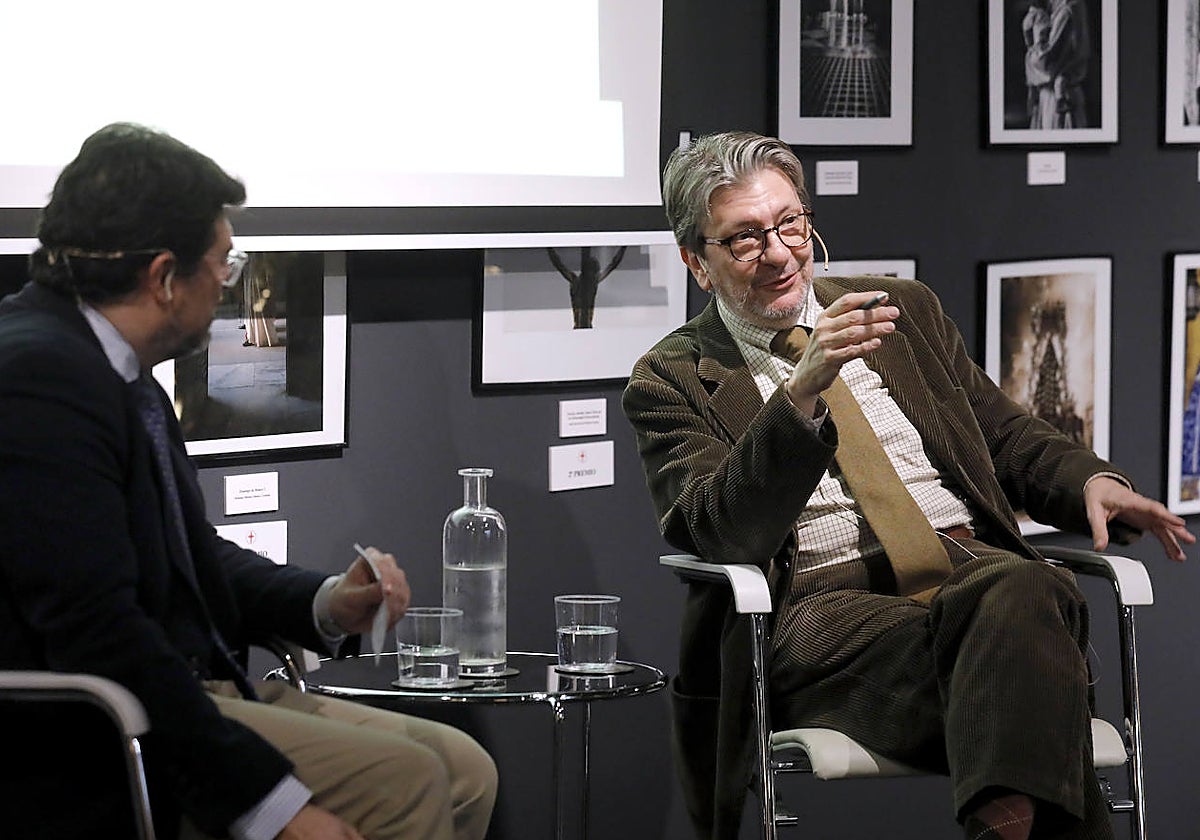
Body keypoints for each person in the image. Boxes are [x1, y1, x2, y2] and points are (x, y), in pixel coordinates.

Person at [621, 131, 1194, 840]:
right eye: (744, 238)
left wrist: (1091, 483)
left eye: (789, 223)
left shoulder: (901, 310)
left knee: (1018, 596)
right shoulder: (671, 379)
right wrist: (800, 395)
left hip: (974, 586)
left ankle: (1001, 824)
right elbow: (720, 529)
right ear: (696, 262)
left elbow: (1001, 433)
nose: (779, 253)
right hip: (827, 617)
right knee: (1034, 639)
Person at [0, 123, 497, 840]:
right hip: (97, 727)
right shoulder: (40, 379)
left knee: (465, 769)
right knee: (411, 779)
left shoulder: (110, 367)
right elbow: (97, 631)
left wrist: (327, 603)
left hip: (190, 686)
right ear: (164, 277)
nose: (226, 286)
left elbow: (187, 555)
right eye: (224, 265)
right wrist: (272, 807)